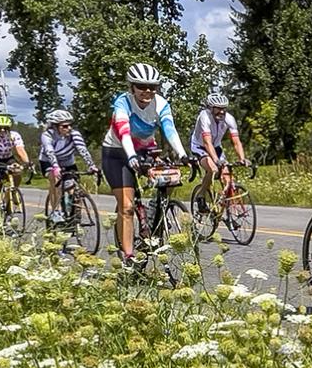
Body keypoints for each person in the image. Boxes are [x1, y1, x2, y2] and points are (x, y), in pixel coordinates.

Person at [101, 63, 188, 266]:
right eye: (141, 86)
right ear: (132, 87)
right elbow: (123, 131)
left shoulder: (161, 104)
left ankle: (154, 220)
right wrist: (131, 157)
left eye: (152, 87)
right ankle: (129, 257)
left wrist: (183, 154)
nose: (147, 91)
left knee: (168, 178)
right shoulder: (123, 103)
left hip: (146, 149)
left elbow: (170, 130)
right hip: (117, 152)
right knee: (127, 207)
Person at [189, 92, 248, 214]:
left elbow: (236, 141)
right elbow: (207, 142)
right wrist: (216, 160)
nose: (221, 112)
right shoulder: (204, 117)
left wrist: (242, 159)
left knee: (227, 177)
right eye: (218, 108)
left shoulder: (229, 119)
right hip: (200, 146)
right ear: (210, 108)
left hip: (216, 147)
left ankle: (226, 210)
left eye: (223, 109)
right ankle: (201, 196)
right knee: (213, 169)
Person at [37, 109, 97, 224]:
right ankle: (56, 211)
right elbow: (49, 152)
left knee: (73, 187)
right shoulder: (47, 135)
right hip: (49, 162)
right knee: (56, 181)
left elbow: (82, 150)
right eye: (65, 126)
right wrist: (55, 167)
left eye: (70, 125)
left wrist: (91, 165)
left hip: (68, 162)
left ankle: (73, 214)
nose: (69, 128)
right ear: (55, 126)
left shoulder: (74, 134)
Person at [0, 113, 29, 207]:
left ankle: (13, 191)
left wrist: (28, 162)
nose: (2, 130)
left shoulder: (14, 135)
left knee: (17, 170)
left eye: (5, 128)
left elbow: (20, 150)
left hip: (7, 157)